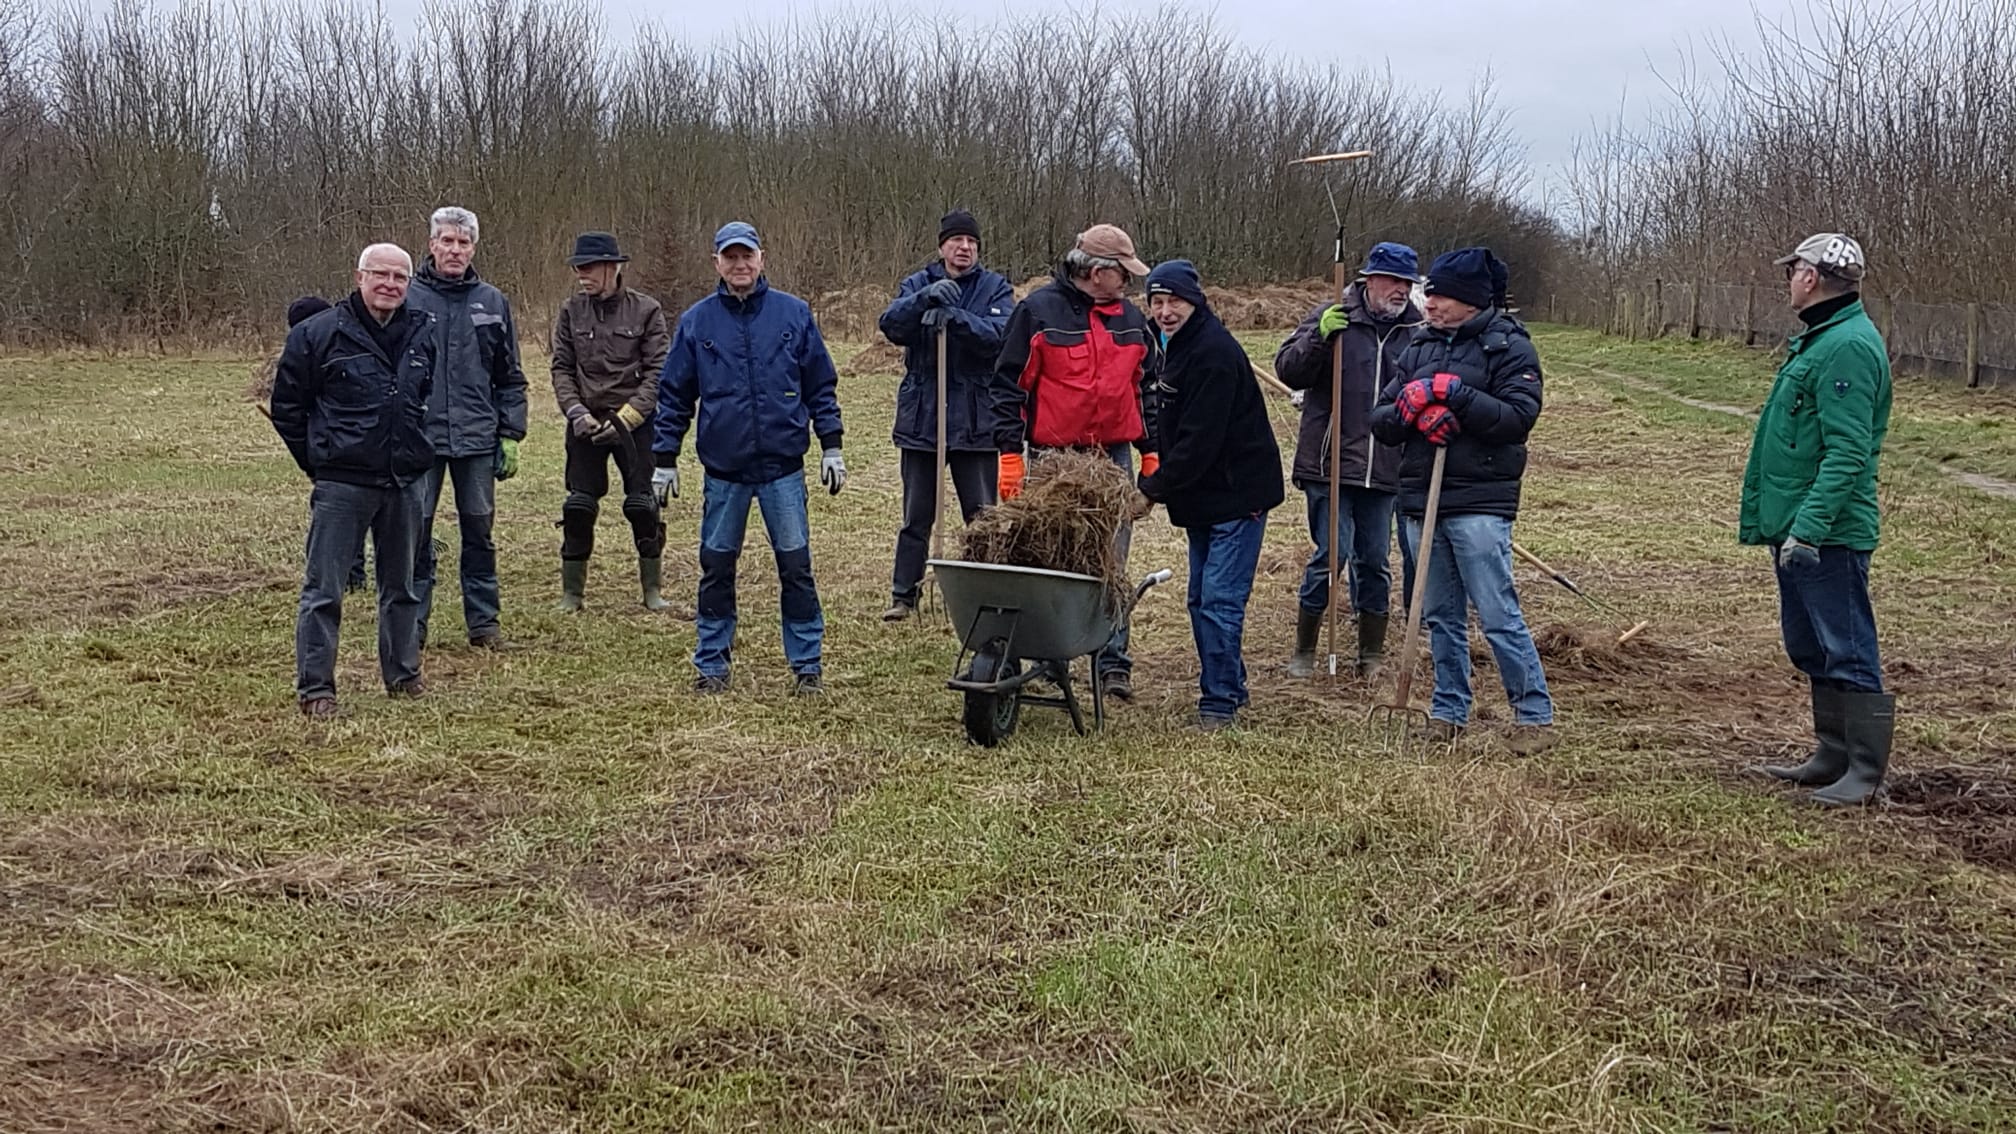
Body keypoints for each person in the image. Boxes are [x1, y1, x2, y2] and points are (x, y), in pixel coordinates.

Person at [1369, 247, 1556, 755]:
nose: (1428, 303)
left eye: (1441, 296)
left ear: (1472, 300)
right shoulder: (1419, 346)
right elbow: (1381, 419)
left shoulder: (1508, 346)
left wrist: (1458, 398)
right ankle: (1449, 709)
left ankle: (1533, 714)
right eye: (1428, 294)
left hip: (1479, 500)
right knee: (1439, 615)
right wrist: (1411, 412)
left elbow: (1518, 417)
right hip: (1420, 497)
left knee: (1496, 611)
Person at [653, 221, 845, 696]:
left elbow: (820, 385)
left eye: (747, 256)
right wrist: (664, 458)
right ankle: (711, 663)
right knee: (717, 568)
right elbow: (674, 395)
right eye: (730, 257)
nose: (740, 265)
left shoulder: (793, 314)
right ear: (716, 262)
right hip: (725, 472)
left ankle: (807, 665)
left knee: (796, 568)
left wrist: (832, 446)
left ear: (762, 259)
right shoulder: (697, 322)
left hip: (783, 469)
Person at [1748, 233, 1894, 806]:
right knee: (1812, 645)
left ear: (1810, 277)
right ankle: (1832, 753)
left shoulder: (1847, 347)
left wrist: (1808, 528)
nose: (1788, 280)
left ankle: (1863, 771)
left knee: (1848, 647)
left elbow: (1848, 452)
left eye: (1793, 271)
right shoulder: (1821, 338)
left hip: (1828, 532)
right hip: (1799, 527)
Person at [994, 223, 1161, 702]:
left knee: (1112, 559)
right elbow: (1008, 387)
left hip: (1112, 458)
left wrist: (1151, 451)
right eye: (1122, 272)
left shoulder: (1132, 320)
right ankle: (1052, 658)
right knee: (1054, 556)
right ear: (1096, 271)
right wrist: (1010, 455)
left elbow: (1146, 390)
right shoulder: (1037, 313)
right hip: (1055, 460)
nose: (1129, 281)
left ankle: (1113, 662)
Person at [268, 244, 437, 716]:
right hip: (342, 484)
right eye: (380, 274)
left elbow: (424, 397)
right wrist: (320, 461)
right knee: (325, 590)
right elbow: (288, 408)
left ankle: (403, 675)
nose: (390, 284)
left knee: (402, 586)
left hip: (404, 480)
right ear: (359, 277)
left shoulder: (423, 332)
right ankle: (317, 689)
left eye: (399, 277)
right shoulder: (317, 334)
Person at [1136, 261, 1283, 731]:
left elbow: (1200, 440)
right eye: (1157, 302)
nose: (1165, 311)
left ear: (1195, 302)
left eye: (1174, 302)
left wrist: (1152, 489)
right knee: (1200, 600)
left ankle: (1218, 703)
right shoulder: (1173, 346)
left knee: (1219, 601)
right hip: (1204, 496)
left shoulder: (1213, 353)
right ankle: (1231, 687)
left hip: (1237, 495)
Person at [1273, 241, 1424, 679]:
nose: (1401, 290)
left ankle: (1370, 655)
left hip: (1385, 467)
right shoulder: (1334, 316)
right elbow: (1288, 369)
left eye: (1407, 283)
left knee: (1374, 561)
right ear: (1369, 280)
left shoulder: (1416, 332)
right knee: (1330, 556)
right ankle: (1305, 651)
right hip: (1330, 463)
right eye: (1393, 281)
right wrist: (1319, 338)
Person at [875, 208, 1016, 621]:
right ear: (942, 247)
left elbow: (1001, 338)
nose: (964, 248)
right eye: (957, 241)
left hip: (976, 420)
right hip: (924, 418)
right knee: (916, 515)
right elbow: (891, 324)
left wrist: (957, 319)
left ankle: (988, 591)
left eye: (971, 242)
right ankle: (904, 595)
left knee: (982, 516)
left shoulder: (995, 288)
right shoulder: (918, 283)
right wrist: (925, 300)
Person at [408, 205, 529, 650]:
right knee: (415, 535)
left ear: (473, 248)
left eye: (463, 242)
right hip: (420, 439)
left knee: (479, 533)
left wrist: (510, 433)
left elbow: (509, 375)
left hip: (477, 438)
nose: (455, 250)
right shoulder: (408, 297)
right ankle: (411, 626)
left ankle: (484, 625)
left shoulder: (492, 302)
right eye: (447, 241)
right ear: (432, 245)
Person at [550, 231, 674, 612]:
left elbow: (659, 372)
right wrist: (576, 413)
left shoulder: (647, 310)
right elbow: (561, 369)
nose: (581, 275)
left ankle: (652, 591)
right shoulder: (570, 311)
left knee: (642, 505)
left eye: (588, 267)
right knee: (578, 507)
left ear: (613, 267)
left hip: (636, 425)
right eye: (578, 268)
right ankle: (572, 594)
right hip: (585, 423)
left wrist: (628, 418)